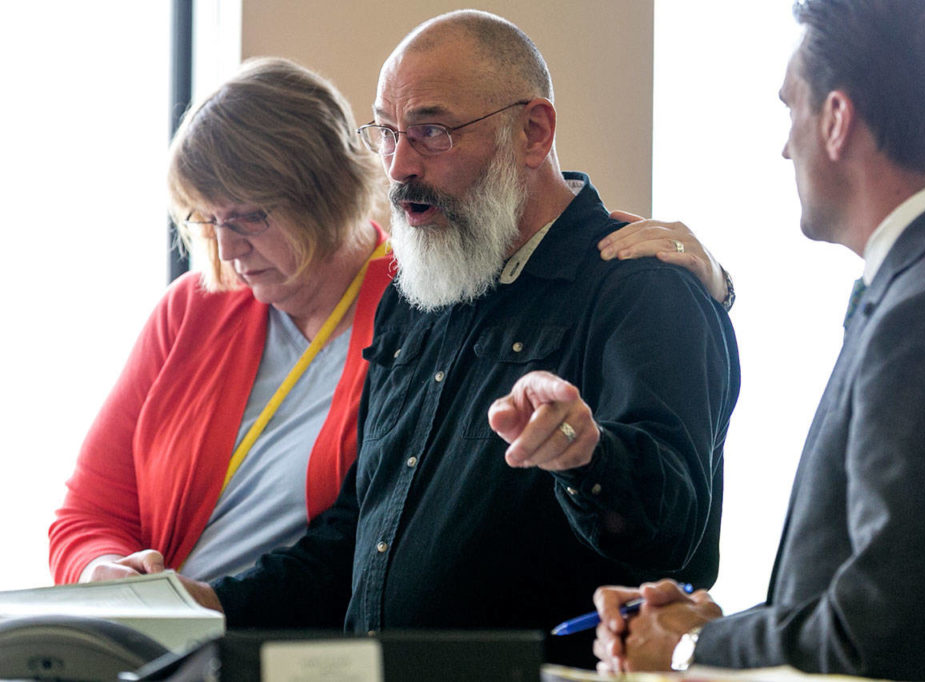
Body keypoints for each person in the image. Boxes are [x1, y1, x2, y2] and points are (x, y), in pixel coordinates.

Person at [115, 9, 741, 667]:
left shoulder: (641, 287)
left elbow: (671, 536)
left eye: (431, 132)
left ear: (532, 132)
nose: (400, 166)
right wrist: (209, 605)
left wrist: (586, 458)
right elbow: (355, 536)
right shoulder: (419, 295)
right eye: (387, 134)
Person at [593, 0, 925, 679]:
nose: (783, 144)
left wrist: (684, 650)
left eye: (789, 107)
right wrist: (716, 629)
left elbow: (881, 636)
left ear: (836, 119)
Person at [48, 57, 395, 585]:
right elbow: (89, 514)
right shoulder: (191, 308)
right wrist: (101, 569)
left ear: (331, 192)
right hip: (166, 639)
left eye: (250, 216)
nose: (227, 248)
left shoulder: (417, 315)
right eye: (209, 220)